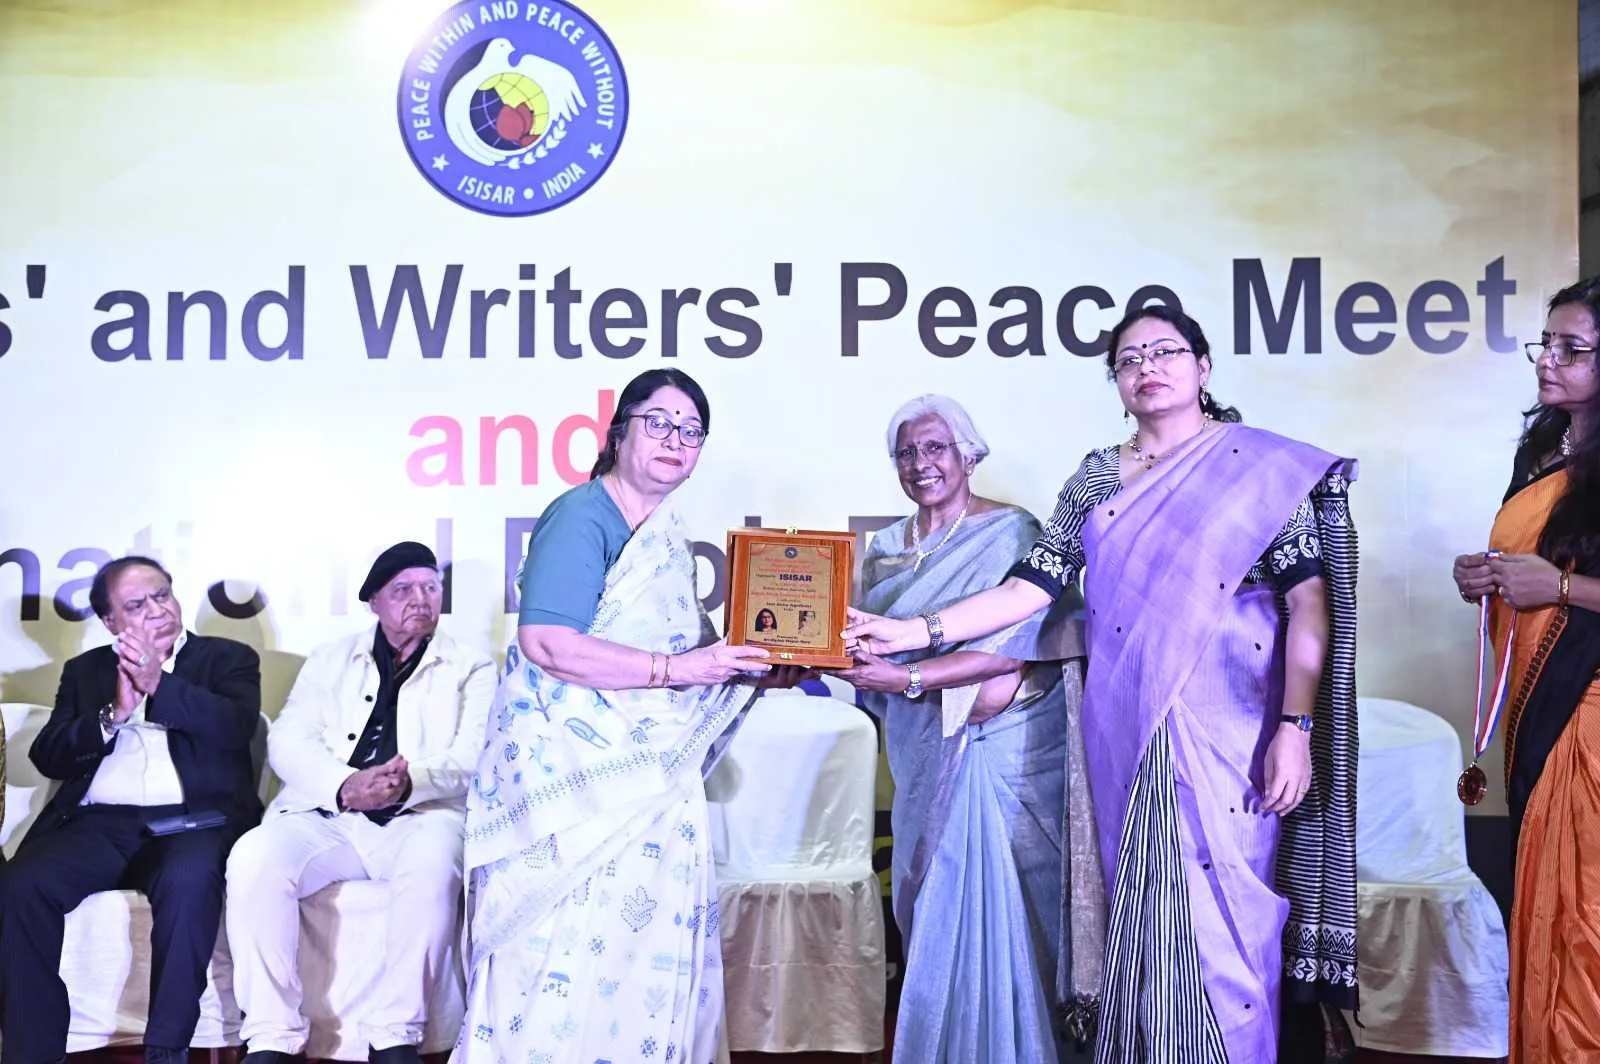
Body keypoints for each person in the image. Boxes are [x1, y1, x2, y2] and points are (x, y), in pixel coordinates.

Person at [846, 305, 1360, 1063]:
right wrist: (913, 633)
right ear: (1116, 382)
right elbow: (1028, 589)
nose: (1148, 367)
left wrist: (1296, 726)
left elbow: (1309, 603)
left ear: (1203, 367)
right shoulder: (1095, 476)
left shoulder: (1255, 471)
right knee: (1142, 925)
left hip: (1235, 727)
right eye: (1130, 359)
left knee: (1229, 928)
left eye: (1166, 352)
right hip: (1126, 726)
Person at [452, 368, 805, 1064]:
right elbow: (548, 644)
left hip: (649, 791)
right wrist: (686, 670)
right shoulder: (582, 517)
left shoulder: (666, 538)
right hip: (569, 795)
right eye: (660, 423)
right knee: (556, 967)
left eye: (691, 431)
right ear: (620, 433)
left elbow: (687, 662)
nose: (676, 440)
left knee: (636, 967)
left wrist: (755, 669)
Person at [838, 394, 1101, 1063]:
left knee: (1017, 901)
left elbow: (1021, 646)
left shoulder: (1012, 533)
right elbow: (870, 648)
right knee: (934, 900)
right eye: (906, 452)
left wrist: (912, 677)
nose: (920, 463)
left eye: (936, 448)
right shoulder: (884, 550)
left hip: (1010, 751)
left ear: (969, 456)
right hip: (925, 748)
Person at [226, 541, 497, 1064]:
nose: (420, 599)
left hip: (419, 816)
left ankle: (395, 1035)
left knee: (434, 861)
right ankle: (270, 1037)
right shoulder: (330, 659)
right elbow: (288, 740)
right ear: (374, 601)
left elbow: (473, 756)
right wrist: (345, 785)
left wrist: (408, 783)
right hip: (330, 816)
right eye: (403, 590)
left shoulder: (472, 666)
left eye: (430, 588)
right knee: (254, 857)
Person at [0, 556, 262, 1064]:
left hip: (191, 822)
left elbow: (234, 727)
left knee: (190, 879)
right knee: (20, 885)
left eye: (162, 595)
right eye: (137, 605)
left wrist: (157, 683)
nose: (158, 610)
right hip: (98, 824)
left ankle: (166, 1051)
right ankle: (32, 1053)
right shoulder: (87, 670)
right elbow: (49, 755)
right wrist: (114, 713)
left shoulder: (227, 658)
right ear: (110, 621)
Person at [1452, 278, 1600, 1063]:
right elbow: (1530, 560)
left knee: (1587, 914)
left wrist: (1562, 589)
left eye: (1573, 349)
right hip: (1536, 709)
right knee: (1545, 908)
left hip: (1591, 712)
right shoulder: (1542, 451)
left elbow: (1557, 581)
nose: (1549, 360)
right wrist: (1488, 575)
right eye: (1547, 344)